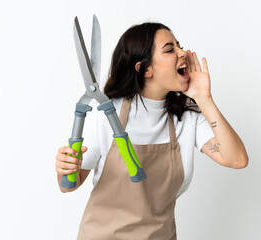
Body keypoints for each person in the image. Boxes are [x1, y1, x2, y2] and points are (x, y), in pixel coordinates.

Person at [55, 22, 248, 239]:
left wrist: (204, 98)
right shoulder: (105, 113)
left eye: (179, 45)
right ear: (145, 69)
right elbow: (69, 185)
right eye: (170, 49)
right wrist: (65, 168)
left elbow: (237, 160)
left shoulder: (187, 118)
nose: (183, 52)